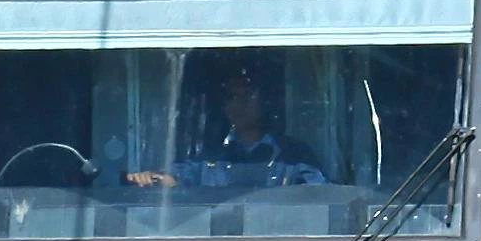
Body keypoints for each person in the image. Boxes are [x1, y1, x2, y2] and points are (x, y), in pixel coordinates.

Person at [121, 56, 327, 190]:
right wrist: (152, 178)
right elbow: (177, 178)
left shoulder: (293, 157)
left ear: (264, 101)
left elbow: (317, 198)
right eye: (230, 98)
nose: (237, 105)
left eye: (246, 96)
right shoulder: (212, 159)